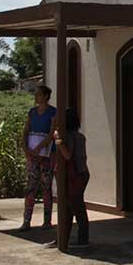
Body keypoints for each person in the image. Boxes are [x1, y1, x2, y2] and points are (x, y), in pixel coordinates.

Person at [45, 107, 90, 250]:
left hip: (74, 175)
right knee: (70, 208)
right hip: (81, 174)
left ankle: (81, 240)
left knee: (76, 208)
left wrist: (57, 140)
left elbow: (67, 155)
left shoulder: (69, 137)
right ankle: (62, 237)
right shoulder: (80, 136)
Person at [17, 85, 56, 231]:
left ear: (46, 96)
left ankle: (47, 220)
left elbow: (52, 132)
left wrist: (40, 147)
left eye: (39, 94)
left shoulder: (53, 112)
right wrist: (26, 148)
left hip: (46, 154)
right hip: (33, 154)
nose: (36, 97)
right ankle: (26, 220)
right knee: (31, 186)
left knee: (46, 186)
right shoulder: (32, 112)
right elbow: (26, 130)